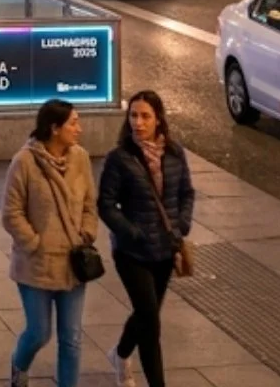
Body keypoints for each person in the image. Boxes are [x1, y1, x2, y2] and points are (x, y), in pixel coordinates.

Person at [98, 90, 195, 387]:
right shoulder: (120, 158)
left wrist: (181, 225)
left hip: (165, 250)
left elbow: (186, 193)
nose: (138, 123)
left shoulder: (175, 154)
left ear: (158, 120)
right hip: (132, 252)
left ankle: (121, 352)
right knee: (151, 322)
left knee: (145, 314)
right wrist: (130, 230)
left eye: (145, 116)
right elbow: (105, 203)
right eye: (133, 116)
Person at [1, 99, 97, 387]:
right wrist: (33, 242)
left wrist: (87, 232)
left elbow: (90, 203)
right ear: (55, 128)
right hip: (37, 265)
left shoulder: (80, 158)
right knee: (39, 332)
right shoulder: (25, 162)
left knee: (72, 338)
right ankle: (20, 364)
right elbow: (11, 212)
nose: (79, 129)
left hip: (73, 263)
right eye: (73, 123)